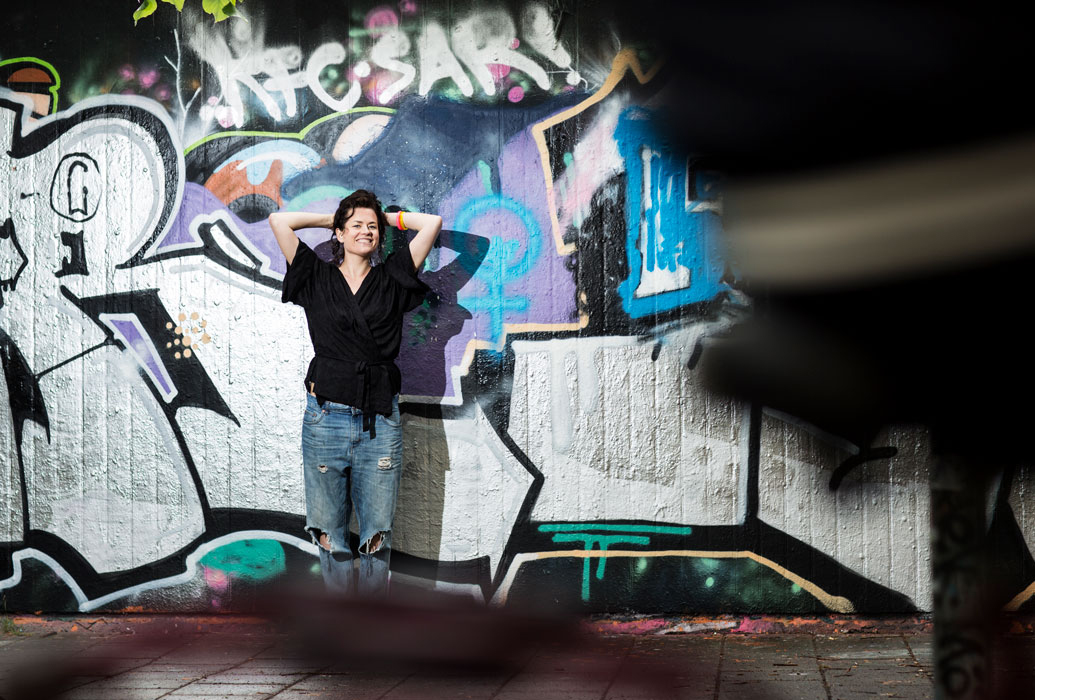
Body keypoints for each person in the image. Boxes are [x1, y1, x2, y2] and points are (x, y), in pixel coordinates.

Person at [269, 189, 442, 595]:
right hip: (325, 418)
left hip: (379, 421)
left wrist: (389, 220)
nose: (365, 232)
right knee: (330, 534)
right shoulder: (315, 275)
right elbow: (280, 222)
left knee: (376, 536)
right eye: (356, 226)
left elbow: (430, 223)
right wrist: (331, 217)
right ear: (340, 233)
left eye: (371, 227)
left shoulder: (393, 276)